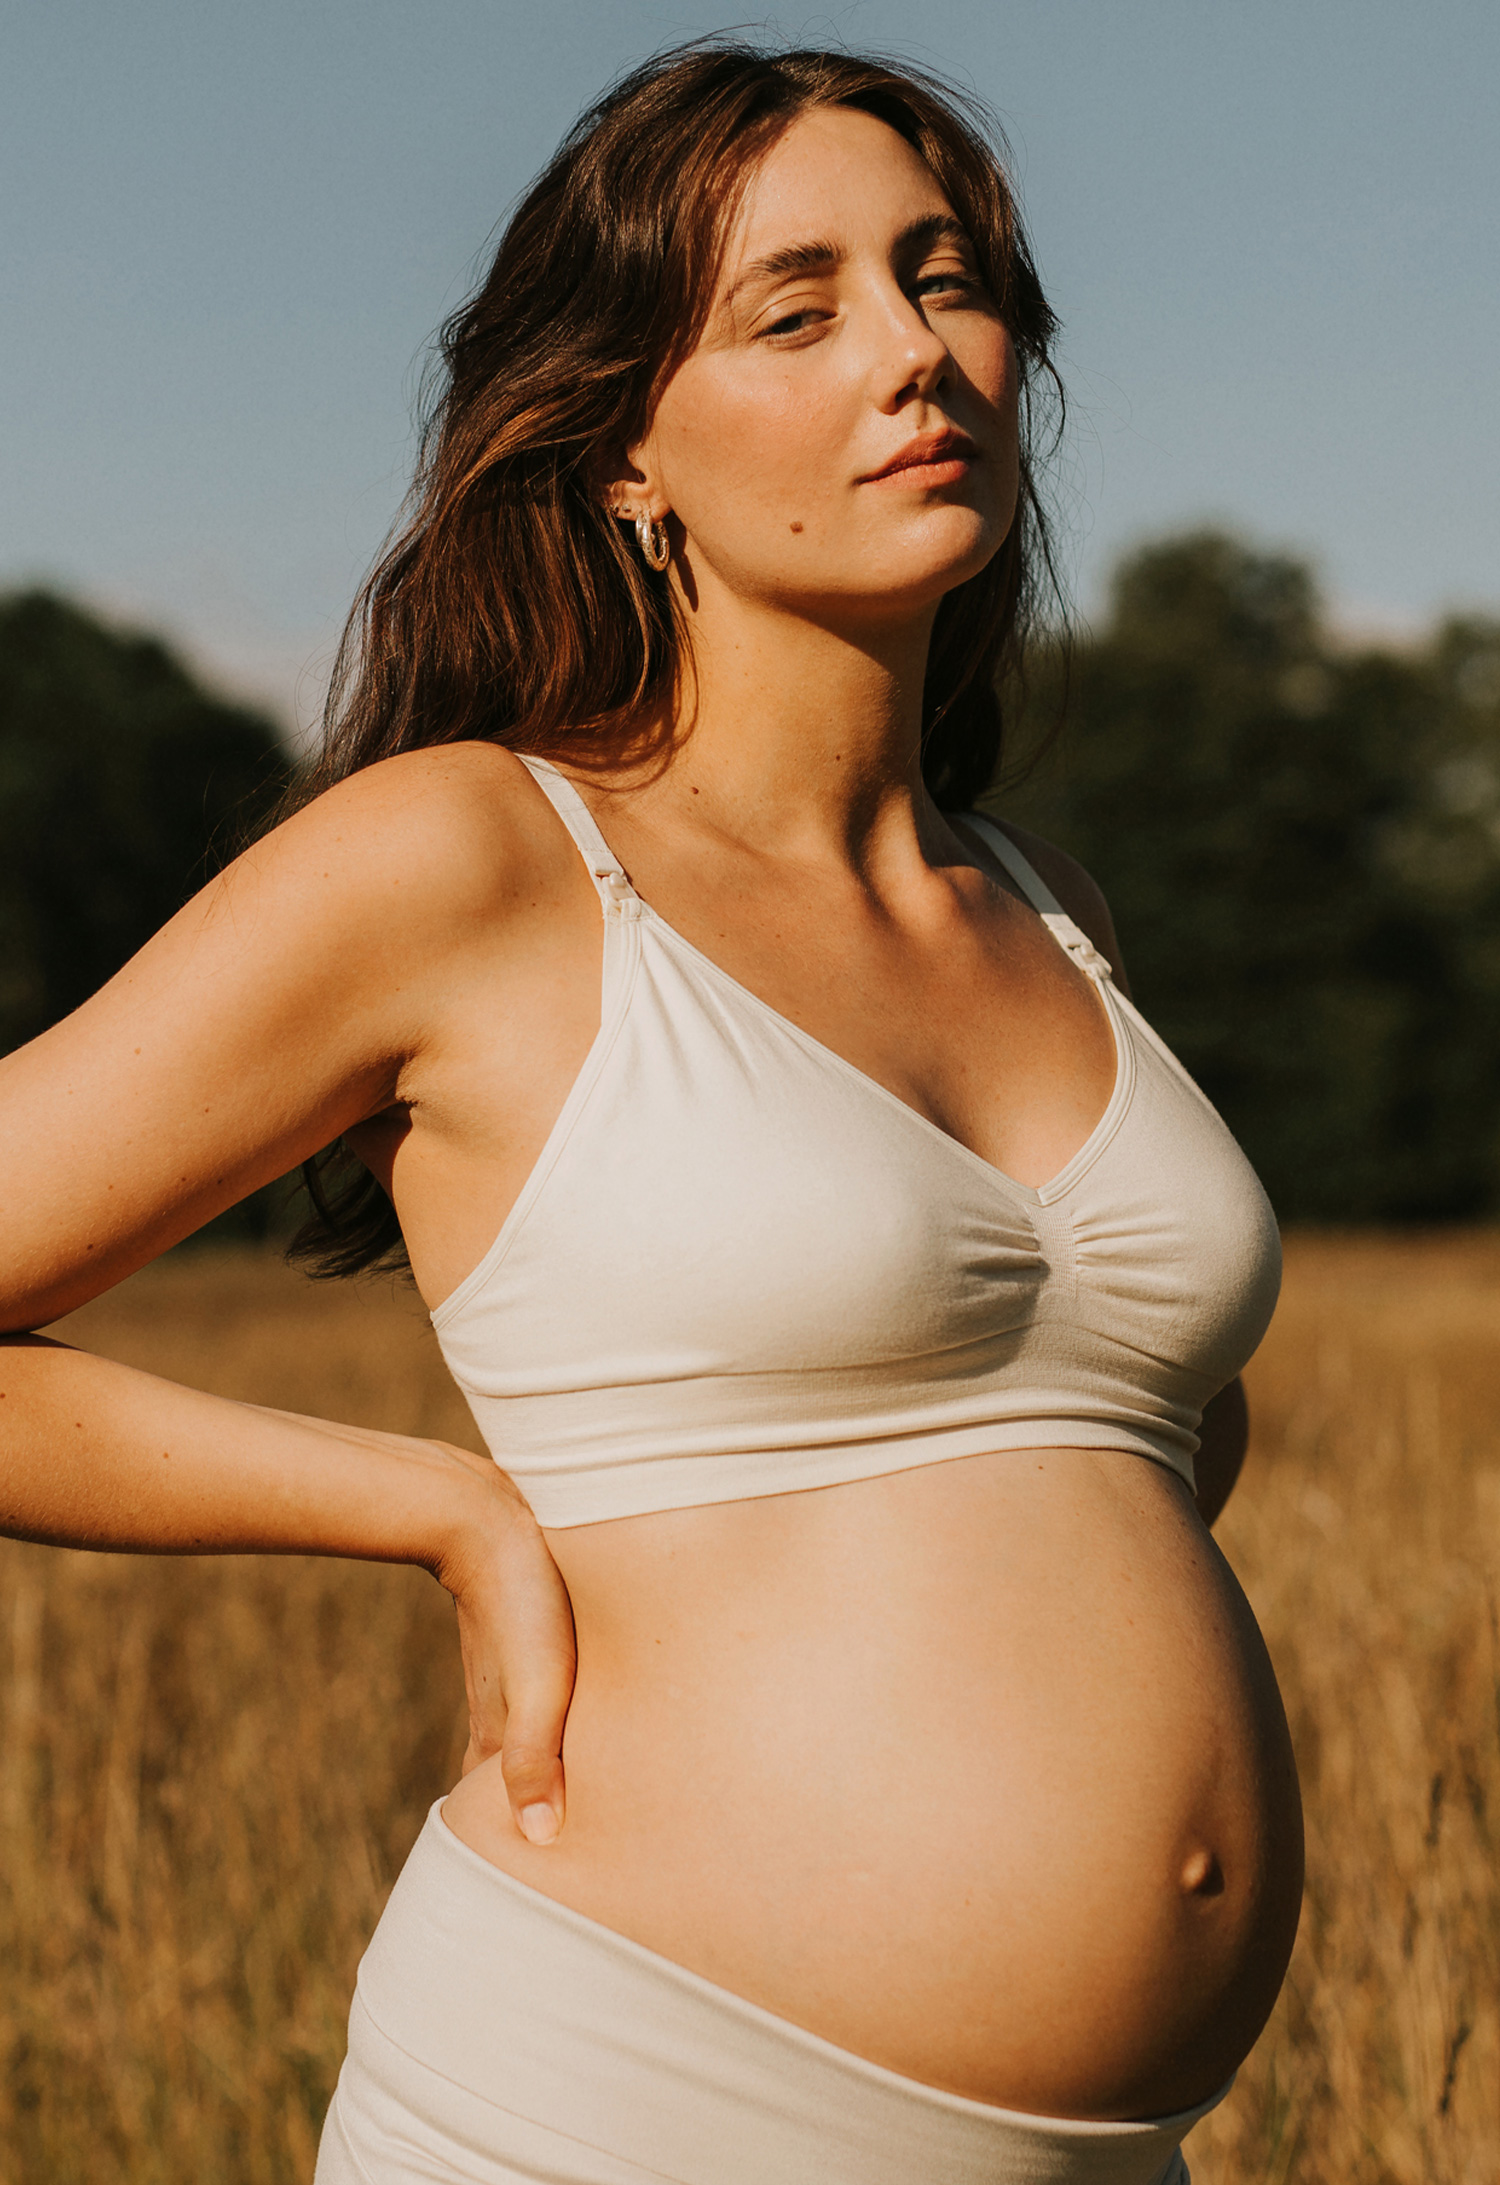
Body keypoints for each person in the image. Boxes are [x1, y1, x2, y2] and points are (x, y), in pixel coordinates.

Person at [0, 40, 1303, 2185]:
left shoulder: (1054, 907)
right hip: (616, 2113)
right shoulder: (473, 858)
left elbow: (1122, 1435)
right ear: (625, 448)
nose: (914, 351)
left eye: (945, 278)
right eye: (798, 310)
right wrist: (436, 1506)